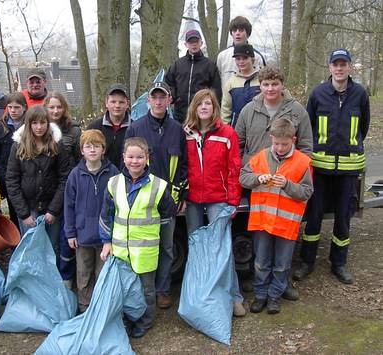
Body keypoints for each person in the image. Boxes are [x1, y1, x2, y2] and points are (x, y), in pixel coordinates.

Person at [294, 49, 370, 285]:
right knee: (314, 216)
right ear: (329, 68)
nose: (339, 68)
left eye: (343, 64)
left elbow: (363, 127)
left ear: (349, 68)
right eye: (335, 64)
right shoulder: (318, 94)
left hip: (348, 169)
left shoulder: (360, 94)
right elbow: (309, 126)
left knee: (343, 218)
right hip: (321, 168)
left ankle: (339, 263)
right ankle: (307, 262)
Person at [99, 137, 175, 338]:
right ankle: (125, 321)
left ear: (147, 158)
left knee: (146, 290)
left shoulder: (158, 186)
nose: (135, 161)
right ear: (123, 158)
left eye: (140, 157)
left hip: (145, 251)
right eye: (131, 157)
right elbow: (106, 215)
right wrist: (106, 242)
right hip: (121, 250)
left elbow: (168, 213)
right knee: (124, 289)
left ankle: (145, 321)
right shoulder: (113, 184)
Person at [125, 81, 188, 309]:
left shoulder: (177, 130)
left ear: (169, 100)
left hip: (167, 202)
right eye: (155, 97)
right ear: (148, 100)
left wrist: (181, 196)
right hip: (142, 202)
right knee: (142, 248)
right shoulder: (136, 128)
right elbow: (127, 165)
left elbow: (183, 166)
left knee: (166, 248)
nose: (159, 101)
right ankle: (142, 291)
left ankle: (162, 291)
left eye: (163, 97)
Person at [240, 118, 313, 314]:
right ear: (271, 138)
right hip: (263, 222)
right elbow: (243, 178)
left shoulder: (303, 162)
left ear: (293, 140)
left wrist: (288, 184)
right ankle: (260, 295)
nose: (280, 147)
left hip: (286, 225)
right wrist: (257, 178)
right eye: (277, 143)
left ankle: (274, 297)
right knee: (261, 262)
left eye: (285, 144)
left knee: (282, 265)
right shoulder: (261, 157)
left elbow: (307, 192)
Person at [183, 89, 245, 316]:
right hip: (193, 200)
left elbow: (234, 167)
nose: (204, 108)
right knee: (197, 249)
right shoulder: (186, 133)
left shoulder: (227, 133)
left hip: (219, 198)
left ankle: (234, 297)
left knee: (222, 250)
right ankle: (200, 296)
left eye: (208, 103)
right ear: (194, 108)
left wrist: (233, 200)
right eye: (200, 104)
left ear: (214, 107)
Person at [64, 129, 119, 312]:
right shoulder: (75, 175)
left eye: (97, 146)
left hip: (106, 238)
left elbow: (118, 204)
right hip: (83, 235)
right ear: (82, 150)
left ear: (103, 150)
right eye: (88, 146)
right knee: (83, 273)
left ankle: (102, 307)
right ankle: (85, 307)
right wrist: (70, 232)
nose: (93, 150)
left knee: (103, 273)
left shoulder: (113, 173)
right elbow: (69, 206)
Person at [6, 106, 71, 258]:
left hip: (51, 206)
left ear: (48, 124)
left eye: (43, 123)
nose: (39, 127)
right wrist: (24, 214)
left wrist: (53, 210)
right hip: (29, 207)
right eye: (35, 123)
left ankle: (51, 280)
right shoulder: (18, 146)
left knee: (52, 248)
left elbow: (64, 178)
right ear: (28, 124)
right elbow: (12, 181)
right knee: (31, 249)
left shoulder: (56, 145)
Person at [235, 66, 313, 167]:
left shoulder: (297, 110)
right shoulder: (248, 110)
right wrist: (243, 169)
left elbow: (305, 145)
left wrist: (298, 168)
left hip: (286, 173)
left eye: (275, 84)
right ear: (260, 86)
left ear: (282, 85)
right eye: (266, 84)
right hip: (253, 172)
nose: (270, 89)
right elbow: (237, 144)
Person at [44, 91, 82, 286]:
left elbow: (80, 159)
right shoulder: (40, 128)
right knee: (49, 240)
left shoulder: (73, 131)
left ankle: (66, 276)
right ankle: (51, 277)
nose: (56, 110)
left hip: (69, 190)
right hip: (46, 192)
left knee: (65, 235)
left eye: (59, 106)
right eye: (51, 107)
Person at [165, 29, 222, 123]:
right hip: (179, 115)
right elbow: (169, 84)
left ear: (201, 43)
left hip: (201, 115)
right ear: (186, 44)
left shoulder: (210, 65)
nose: (194, 44)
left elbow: (216, 91)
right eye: (190, 42)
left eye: (196, 41)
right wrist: (174, 98)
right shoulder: (177, 64)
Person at [0, 92, 28, 228]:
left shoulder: (31, 125)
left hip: (27, 175)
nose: (13, 111)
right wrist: (4, 175)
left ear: (24, 108)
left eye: (17, 107)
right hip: (8, 176)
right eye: (10, 107)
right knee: (14, 210)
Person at [87, 84, 131, 169]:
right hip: (100, 177)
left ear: (127, 104)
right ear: (106, 103)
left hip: (127, 178)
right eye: (113, 102)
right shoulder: (94, 128)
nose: (117, 105)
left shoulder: (135, 128)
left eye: (121, 102)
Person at [217, 16, 266, 87]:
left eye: (241, 30)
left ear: (248, 34)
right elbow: (216, 82)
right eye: (234, 30)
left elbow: (265, 81)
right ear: (231, 33)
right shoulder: (222, 56)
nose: (237, 33)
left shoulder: (257, 57)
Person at [221, 43, 260, 127]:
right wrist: (225, 129)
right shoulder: (231, 83)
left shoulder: (262, 80)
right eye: (238, 59)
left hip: (259, 127)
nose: (241, 62)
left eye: (245, 58)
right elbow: (225, 110)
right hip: (236, 127)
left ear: (252, 59)